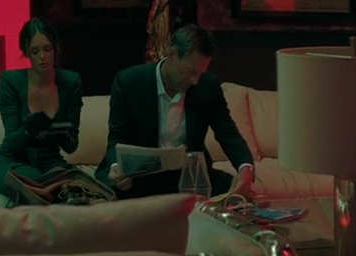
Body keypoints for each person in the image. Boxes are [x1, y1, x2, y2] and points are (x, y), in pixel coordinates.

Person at [95, 24, 256, 199]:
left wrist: (245, 168)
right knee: (105, 192)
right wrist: (116, 167)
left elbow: (227, 132)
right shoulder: (129, 83)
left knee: (239, 194)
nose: (195, 81)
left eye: (200, 74)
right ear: (171, 54)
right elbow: (116, 138)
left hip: (186, 175)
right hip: (139, 176)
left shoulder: (208, 86)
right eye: (190, 72)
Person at [0, 18, 85, 205]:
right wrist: (28, 130)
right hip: (14, 160)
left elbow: (72, 146)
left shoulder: (71, 82)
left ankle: (43, 192)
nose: (42, 56)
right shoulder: (11, 81)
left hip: (51, 163)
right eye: (35, 51)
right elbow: (11, 140)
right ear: (26, 52)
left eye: (47, 49)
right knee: (29, 176)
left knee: (79, 182)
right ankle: (43, 192)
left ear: (56, 49)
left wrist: (56, 130)